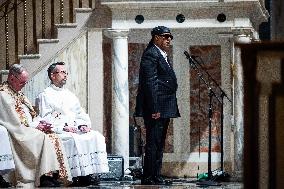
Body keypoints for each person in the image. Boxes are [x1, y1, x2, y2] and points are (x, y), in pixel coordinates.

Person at [37, 62, 109, 187]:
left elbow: (80, 113)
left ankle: (87, 174)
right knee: (72, 139)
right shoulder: (45, 95)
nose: (65, 75)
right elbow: (45, 119)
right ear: (52, 75)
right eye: (62, 72)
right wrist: (63, 127)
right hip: (59, 130)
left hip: (74, 128)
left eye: (66, 73)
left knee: (95, 136)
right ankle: (75, 175)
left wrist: (83, 124)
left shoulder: (70, 95)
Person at [0, 64, 72, 187]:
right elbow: (14, 121)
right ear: (12, 78)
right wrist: (35, 126)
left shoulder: (18, 93)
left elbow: (31, 113)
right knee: (41, 137)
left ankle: (51, 175)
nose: (24, 85)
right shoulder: (3, 95)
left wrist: (40, 122)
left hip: (28, 126)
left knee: (52, 136)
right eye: (22, 82)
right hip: (16, 130)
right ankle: (41, 176)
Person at [134, 26, 180, 185]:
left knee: (159, 143)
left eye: (170, 37)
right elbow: (150, 83)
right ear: (156, 38)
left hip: (164, 104)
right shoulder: (151, 54)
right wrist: (154, 109)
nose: (169, 39)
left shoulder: (161, 54)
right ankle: (148, 177)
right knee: (153, 143)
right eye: (165, 36)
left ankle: (156, 176)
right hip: (157, 106)